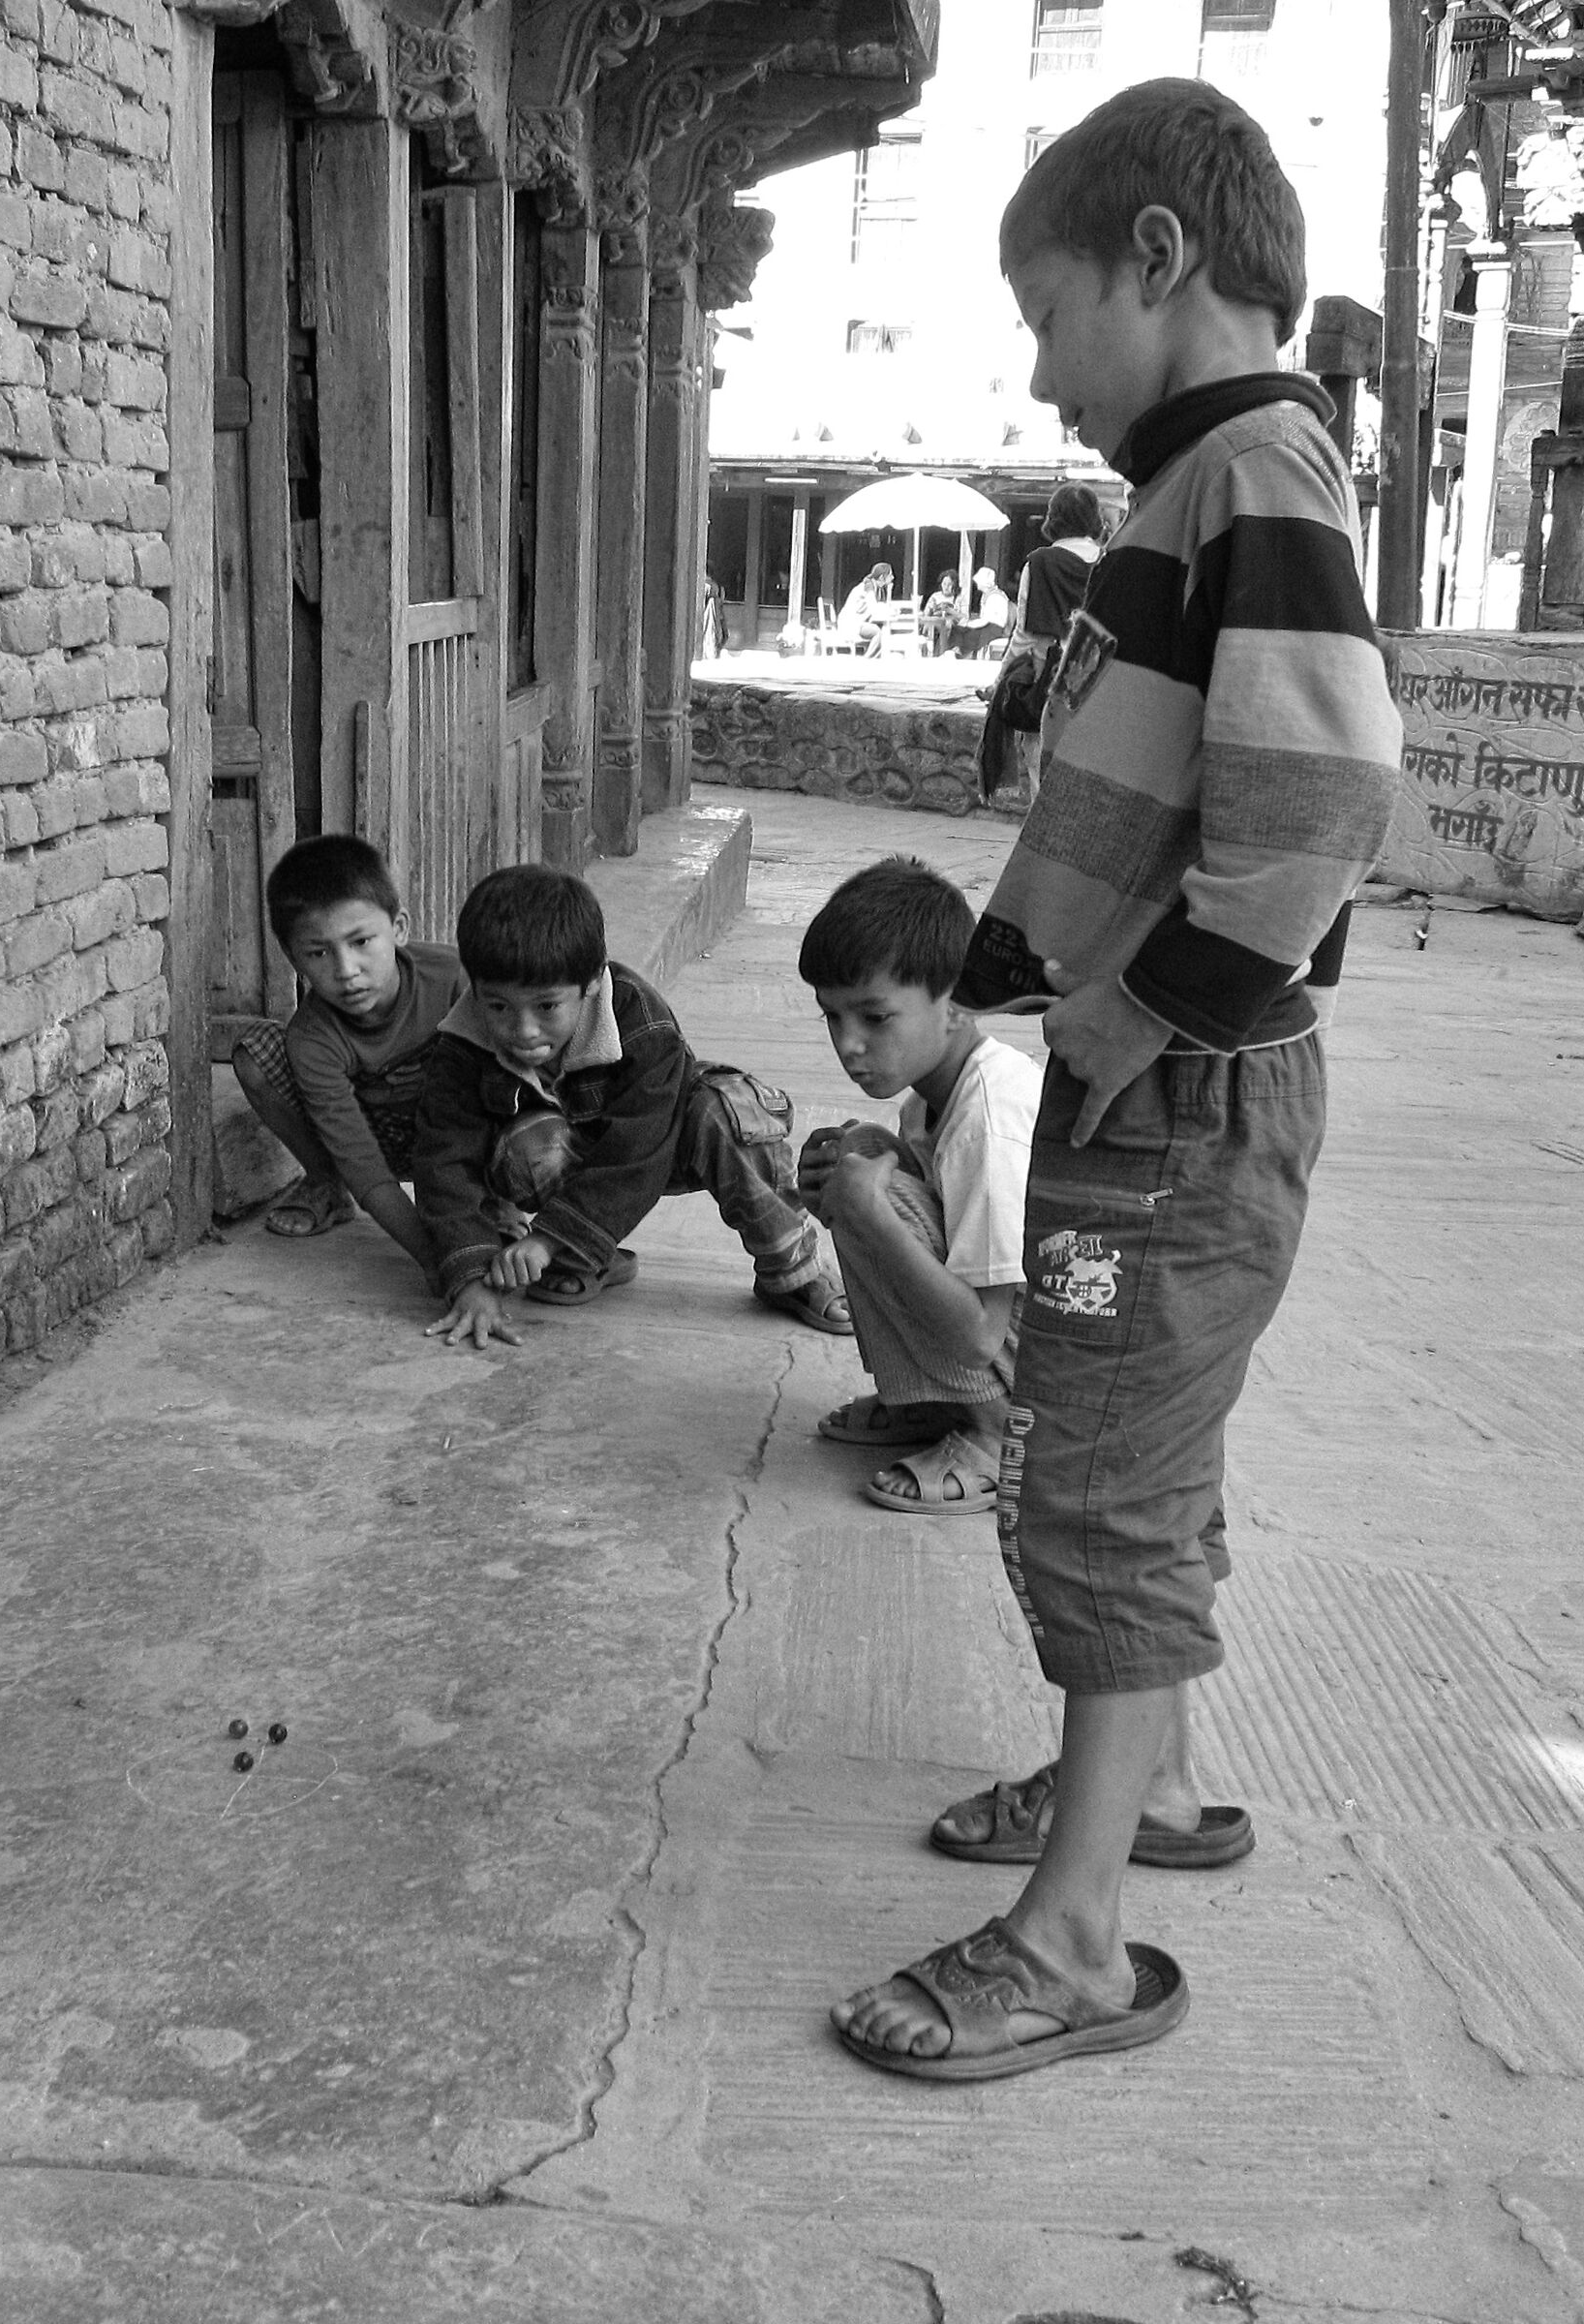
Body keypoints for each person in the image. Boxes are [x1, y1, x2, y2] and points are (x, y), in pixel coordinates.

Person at [832, 77, 1402, 2084]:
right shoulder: (1207, 481)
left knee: (1098, 1493)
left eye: (1047, 306)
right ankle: (1143, 1795)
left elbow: (1318, 805)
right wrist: (1013, 965)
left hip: (1174, 1103)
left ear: (1157, 259)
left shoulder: (1253, 469)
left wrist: (1127, 1021)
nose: (1040, 363)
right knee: (1140, 1455)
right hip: (1143, 1089)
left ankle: (1075, 1941)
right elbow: (1150, 792)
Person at [412, 864, 853, 1351]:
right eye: (498, 1007)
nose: (523, 1030)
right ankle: (585, 1256)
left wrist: (546, 1237)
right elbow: (443, 1162)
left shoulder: (641, 1021)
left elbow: (638, 1151)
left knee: (727, 1113)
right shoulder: (461, 1042)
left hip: (664, 1140)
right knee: (527, 1146)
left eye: (546, 1007)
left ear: (592, 985)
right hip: (572, 1152)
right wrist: (470, 1278)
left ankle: (792, 1270)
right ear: (475, 989)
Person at [796, 858, 1042, 1516]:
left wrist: (869, 1213)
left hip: (1050, 1372)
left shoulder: (988, 1119)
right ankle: (932, 1405)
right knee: (860, 1156)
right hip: (1008, 1339)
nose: (848, 1044)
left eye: (875, 1018)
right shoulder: (929, 1102)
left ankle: (993, 1434)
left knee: (873, 1191)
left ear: (956, 1002)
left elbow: (978, 1338)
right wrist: (841, 1187)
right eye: (833, 1017)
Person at [230, 835, 459, 1276]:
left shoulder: (454, 981)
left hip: (455, 1132)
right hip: (367, 1134)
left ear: (399, 929)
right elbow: (363, 1162)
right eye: (319, 952)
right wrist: (434, 1259)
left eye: (361, 942)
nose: (346, 971)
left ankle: (496, 1203)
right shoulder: (313, 1039)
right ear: (292, 957)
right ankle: (327, 1185)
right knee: (255, 1054)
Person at [985, 483, 1111, 804]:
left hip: (1049, 674)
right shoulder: (1108, 560)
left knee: (1040, 753)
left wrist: (1000, 679)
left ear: (1054, 518)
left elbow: (1026, 633)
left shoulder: (1039, 563)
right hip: (1100, 672)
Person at [837, 561, 894, 649]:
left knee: (881, 631)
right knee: (879, 632)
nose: (892, 577)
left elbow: (881, 605)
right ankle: (870, 658)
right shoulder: (868, 587)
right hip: (851, 624)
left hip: (858, 623)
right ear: (882, 577)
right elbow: (874, 608)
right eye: (890, 575)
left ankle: (874, 657)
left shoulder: (876, 587)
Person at [922, 568, 962, 655]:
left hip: (951, 624)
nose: (946, 587)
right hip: (935, 621)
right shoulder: (935, 596)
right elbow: (926, 614)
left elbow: (963, 616)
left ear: (954, 585)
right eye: (944, 584)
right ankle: (927, 652)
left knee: (948, 625)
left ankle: (943, 652)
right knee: (928, 626)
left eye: (949, 584)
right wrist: (932, 608)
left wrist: (949, 610)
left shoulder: (958, 598)